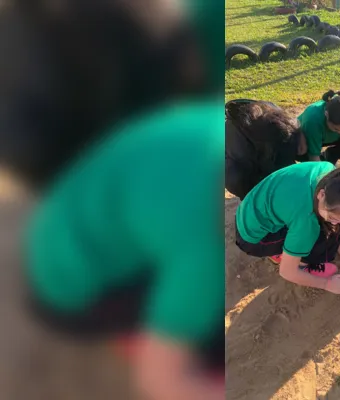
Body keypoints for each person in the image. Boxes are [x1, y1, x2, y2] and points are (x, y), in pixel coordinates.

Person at [13, 0, 226, 399]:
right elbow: (162, 381)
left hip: (77, 220)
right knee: (215, 349)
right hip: (68, 285)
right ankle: (131, 329)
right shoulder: (202, 248)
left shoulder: (212, 126)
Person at [235, 163, 340, 295]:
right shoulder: (307, 221)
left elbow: (335, 212)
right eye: (332, 217)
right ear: (321, 194)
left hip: (251, 208)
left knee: (331, 221)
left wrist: (339, 242)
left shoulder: (334, 177)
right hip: (253, 237)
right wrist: (327, 284)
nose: (336, 223)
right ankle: (303, 264)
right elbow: (287, 272)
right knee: (321, 234)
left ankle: (292, 250)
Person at [225, 99, 306, 199]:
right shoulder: (236, 140)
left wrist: (300, 136)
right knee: (241, 181)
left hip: (269, 148)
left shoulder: (277, 117)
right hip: (242, 169)